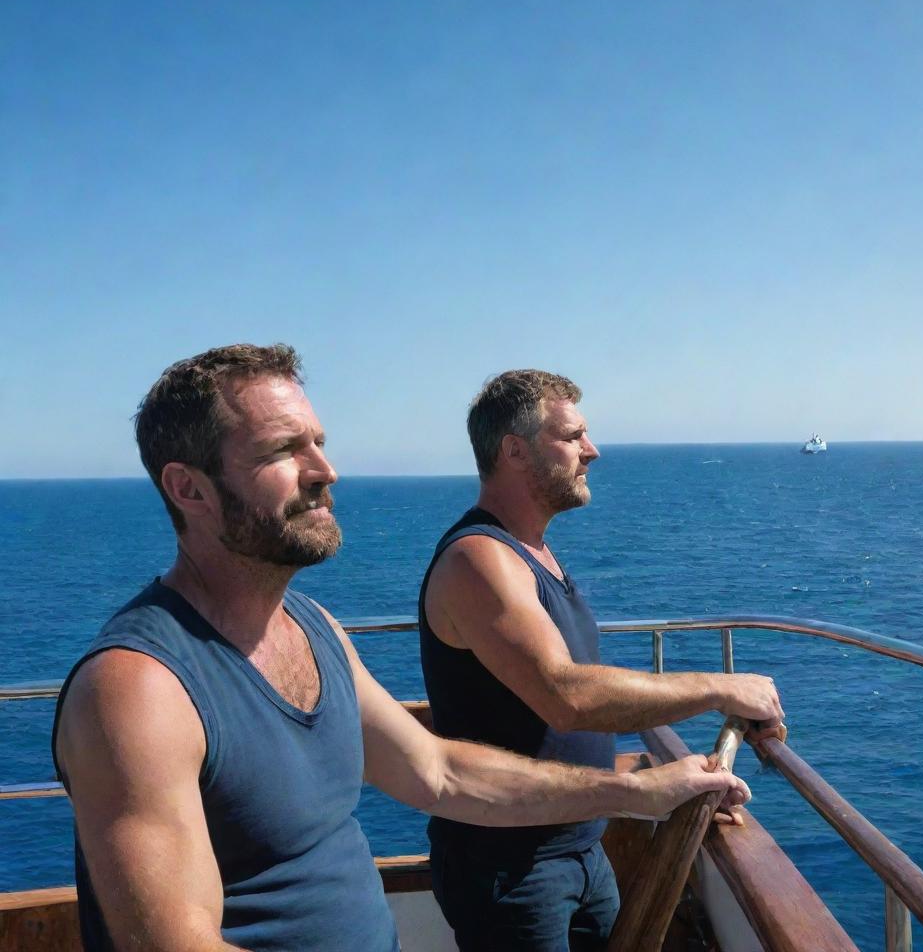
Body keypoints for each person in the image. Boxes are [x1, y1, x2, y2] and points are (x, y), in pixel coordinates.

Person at [51, 345, 751, 952]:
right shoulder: (137, 690)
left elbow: (440, 772)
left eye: (318, 442)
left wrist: (638, 793)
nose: (324, 470)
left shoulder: (312, 628)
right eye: (283, 451)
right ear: (189, 489)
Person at [420, 369, 784, 951]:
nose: (592, 451)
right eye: (573, 436)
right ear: (514, 450)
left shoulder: (533, 554)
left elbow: (539, 728)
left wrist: (661, 782)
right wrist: (720, 688)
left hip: (582, 848)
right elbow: (566, 696)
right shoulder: (479, 561)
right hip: (513, 869)